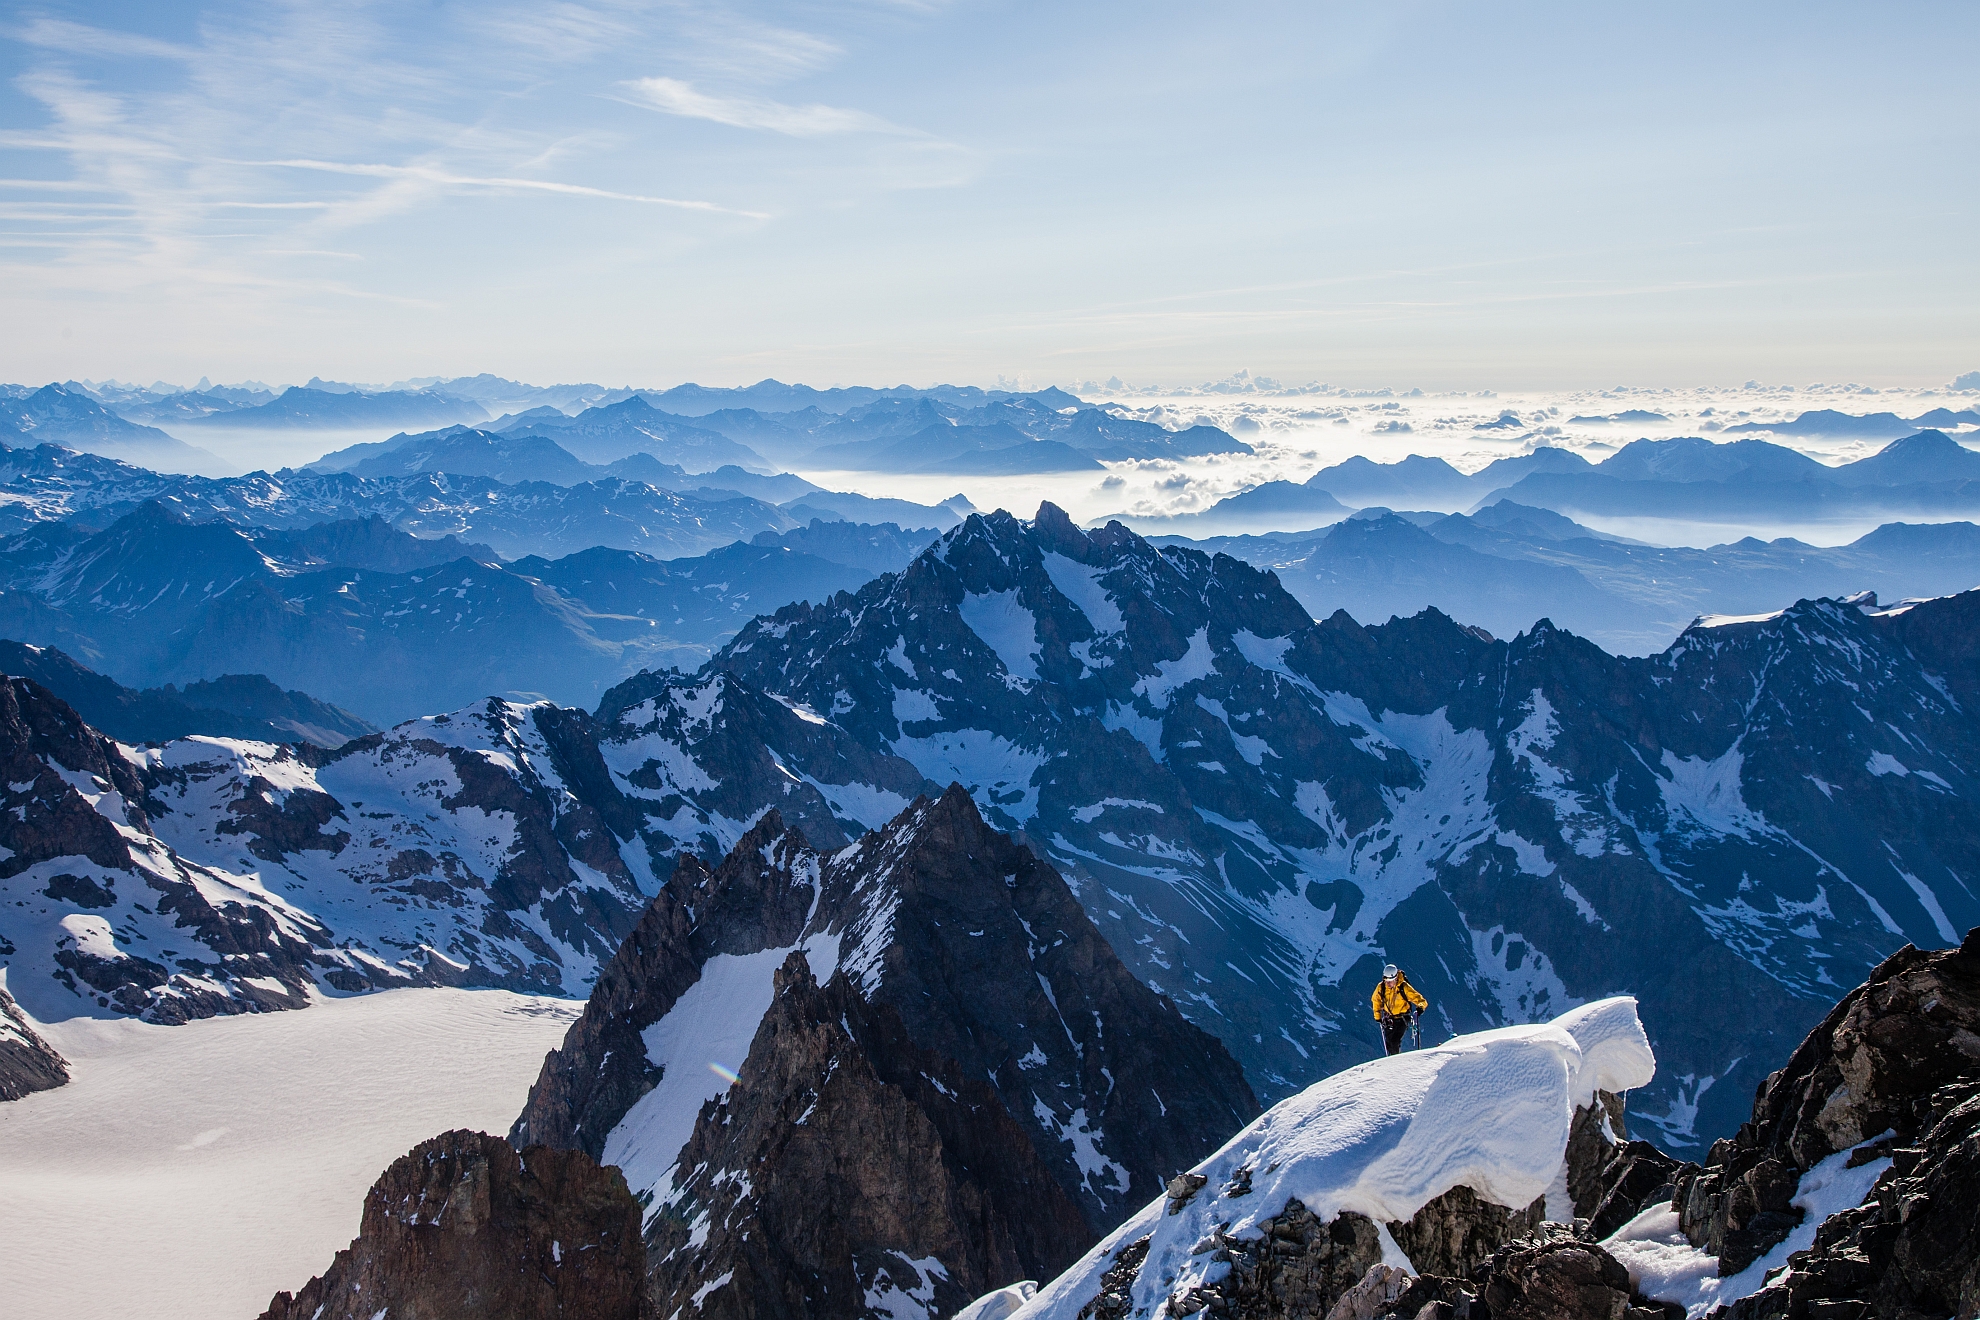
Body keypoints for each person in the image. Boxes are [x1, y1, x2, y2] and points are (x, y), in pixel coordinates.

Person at [1371, 964, 1427, 1056]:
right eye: (1387, 981)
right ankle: (1393, 1060)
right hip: (1389, 1019)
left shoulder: (1403, 987)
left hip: (1402, 1019)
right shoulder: (1381, 987)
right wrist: (1378, 1017)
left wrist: (1421, 1007)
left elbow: (1418, 998)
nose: (1388, 983)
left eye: (1391, 981)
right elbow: (1376, 1001)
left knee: (1394, 1041)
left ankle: (1396, 1062)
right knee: (1389, 1043)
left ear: (1396, 978)